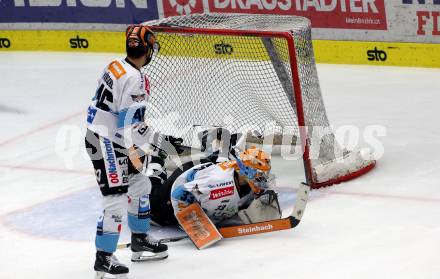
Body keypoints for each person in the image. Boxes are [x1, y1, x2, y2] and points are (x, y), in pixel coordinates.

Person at [85, 24, 183, 279]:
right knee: (115, 198)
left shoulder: (116, 64)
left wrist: (143, 145)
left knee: (140, 186)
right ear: (148, 49)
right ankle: (103, 258)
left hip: (111, 136)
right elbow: (129, 124)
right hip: (105, 140)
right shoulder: (135, 79)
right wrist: (159, 142)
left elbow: (125, 122)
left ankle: (139, 239)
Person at [150, 144, 282, 228]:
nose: (262, 178)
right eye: (260, 173)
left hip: (199, 172)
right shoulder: (218, 183)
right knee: (156, 211)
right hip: (174, 190)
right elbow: (179, 194)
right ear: (247, 171)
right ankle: (151, 161)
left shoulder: (244, 178)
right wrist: (190, 223)